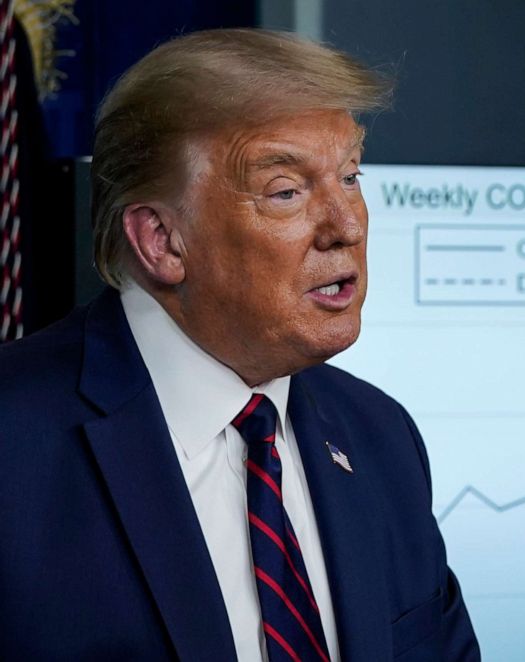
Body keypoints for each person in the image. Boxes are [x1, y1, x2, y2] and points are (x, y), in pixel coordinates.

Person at [0, 29, 480, 661]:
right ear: (162, 241)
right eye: (286, 191)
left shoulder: (380, 435)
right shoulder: (14, 441)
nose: (347, 225)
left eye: (350, 176)